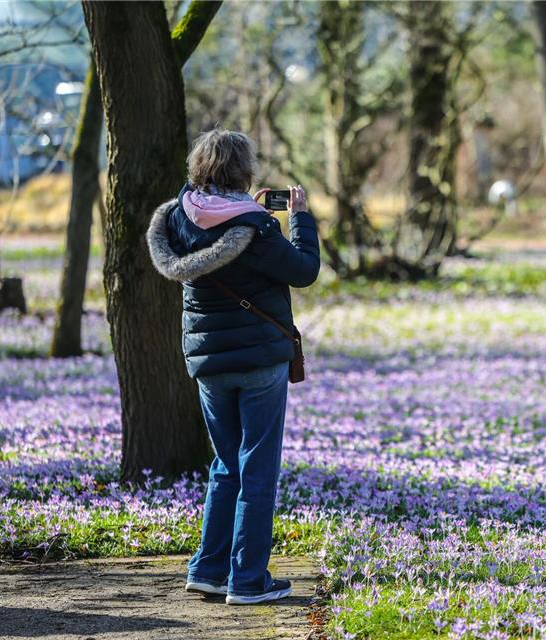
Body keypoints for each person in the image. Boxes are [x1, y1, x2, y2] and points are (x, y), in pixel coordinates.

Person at [147, 128, 320, 605]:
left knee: (225, 465)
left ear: (198, 168)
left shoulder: (178, 219)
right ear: (243, 172)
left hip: (208, 365)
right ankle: (247, 581)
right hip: (260, 361)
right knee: (257, 468)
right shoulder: (257, 228)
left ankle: (207, 569)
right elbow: (304, 270)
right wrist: (300, 219)